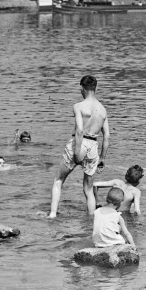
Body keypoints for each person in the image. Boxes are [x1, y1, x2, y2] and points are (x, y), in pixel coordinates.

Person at [49, 75, 110, 218]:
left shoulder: (78, 106)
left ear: (82, 88)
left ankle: (52, 215)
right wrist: (102, 158)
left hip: (80, 142)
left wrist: (77, 152)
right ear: (96, 88)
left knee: (58, 180)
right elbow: (106, 136)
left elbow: (79, 130)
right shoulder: (103, 110)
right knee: (88, 189)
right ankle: (91, 219)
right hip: (94, 146)